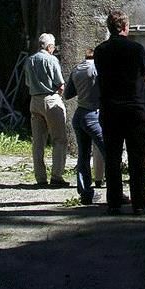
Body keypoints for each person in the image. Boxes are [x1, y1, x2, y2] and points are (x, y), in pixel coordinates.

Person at [94, 10, 145, 215]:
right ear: (125, 27)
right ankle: (138, 203)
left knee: (112, 157)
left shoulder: (100, 51)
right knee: (137, 158)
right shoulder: (136, 49)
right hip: (135, 107)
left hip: (110, 108)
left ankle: (114, 202)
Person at [24, 32, 68, 187]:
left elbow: (28, 83)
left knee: (38, 142)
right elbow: (60, 83)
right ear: (50, 46)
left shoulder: (29, 60)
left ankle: (40, 178)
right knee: (59, 139)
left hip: (34, 100)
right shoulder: (51, 60)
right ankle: (56, 176)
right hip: (51, 99)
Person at [64, 48, 106, 205]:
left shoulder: (77, 69)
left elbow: (68, 94)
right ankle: (117, 192)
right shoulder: (96, 69)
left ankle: (85, 193)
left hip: (79, 114)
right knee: (109, 152)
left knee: (83, 155)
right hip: (93, 114)